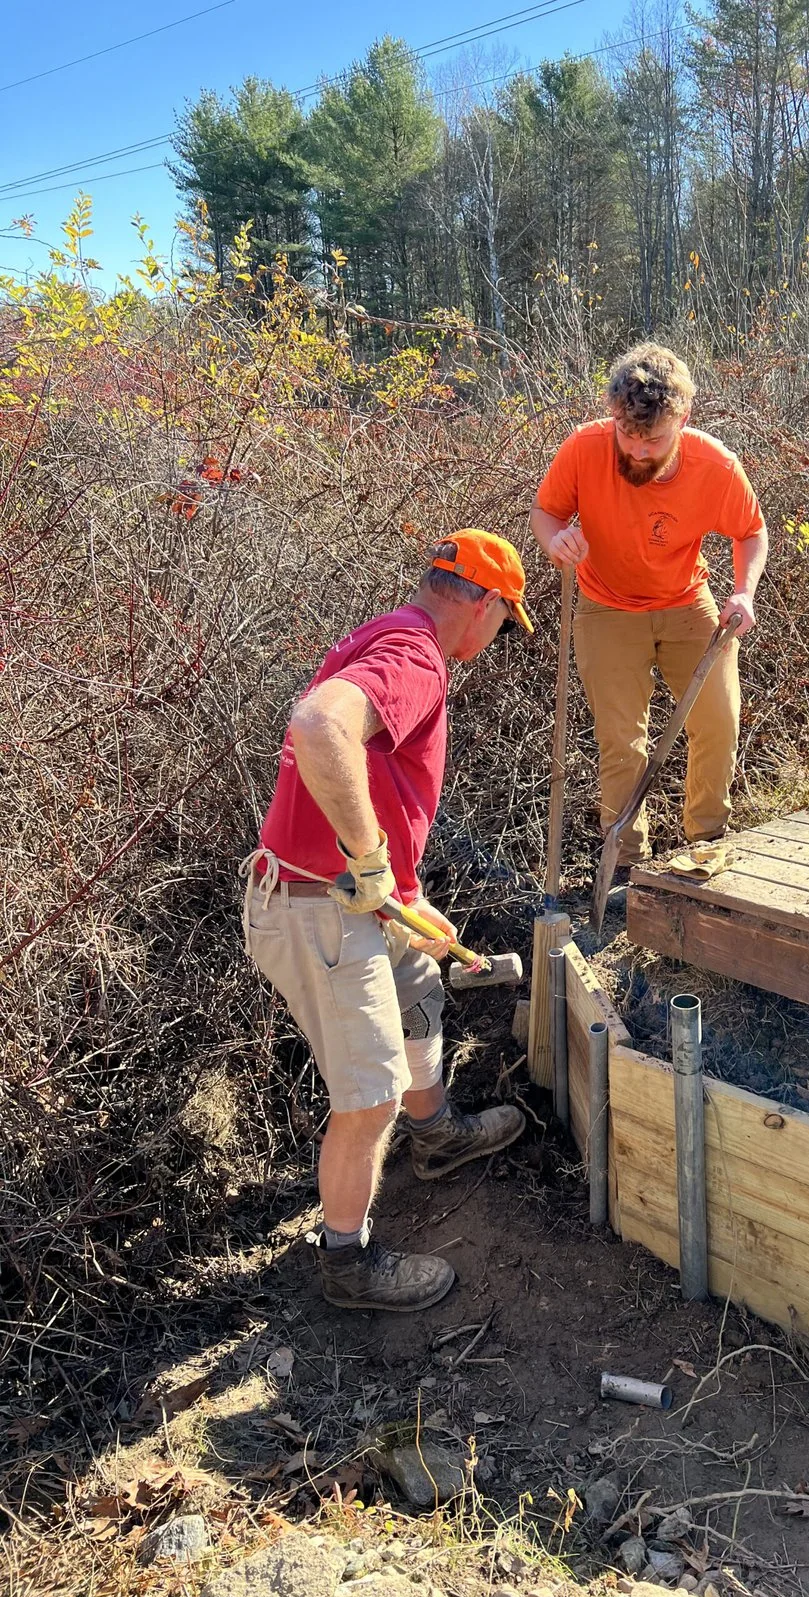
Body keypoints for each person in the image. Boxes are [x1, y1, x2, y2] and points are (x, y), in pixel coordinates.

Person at [241, 530, 534, 1312]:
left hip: (349, 898)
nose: (499, 636)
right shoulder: (415, 655)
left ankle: (435, 1132)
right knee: (368, 1097)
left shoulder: (392, 634)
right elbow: (319, 728)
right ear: (486, 602)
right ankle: (348, 1266)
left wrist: (403, 892)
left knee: (418, 983)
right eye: (506, 619)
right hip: (317, 909)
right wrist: (370, 865)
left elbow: (363, 771)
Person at [531, 343, 768, 871]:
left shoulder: (715, 465)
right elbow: (546, 512)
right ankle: (627, 865)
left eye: (653, 440)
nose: (636, 451)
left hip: (687, 602)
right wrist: (554, 542)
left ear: (683, 419)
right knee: (622, 744)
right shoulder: (584, 448)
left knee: (717, 723)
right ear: (614, 416)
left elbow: (751, 531)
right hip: (604, 608)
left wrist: (743, 591)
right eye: (628, 436)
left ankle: (706, 842)